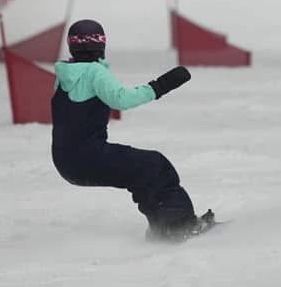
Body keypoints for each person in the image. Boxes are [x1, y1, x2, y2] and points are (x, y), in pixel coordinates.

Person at [51, 19, 214, 241]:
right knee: (156, 166)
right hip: (88, 156)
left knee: (141, 171)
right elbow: (122, 99)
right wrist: (161, 85)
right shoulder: (94, 72)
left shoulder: (63, 77)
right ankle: (179, 225)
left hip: (65, 160)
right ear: (101, 45)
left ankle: (163, 226)